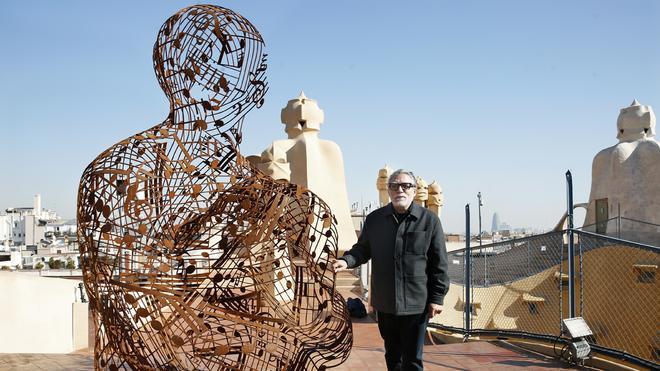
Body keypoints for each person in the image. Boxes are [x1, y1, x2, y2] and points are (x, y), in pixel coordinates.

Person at [333, 169, 449, 371]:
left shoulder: (429, 221)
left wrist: (437, 297)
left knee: (413, 359)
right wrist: (346, 261)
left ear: (414, 191)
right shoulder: (375, 220)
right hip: (385, 304)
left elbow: (439, 263)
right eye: (394, 186)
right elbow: (362, 250)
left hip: (416, 304)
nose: (400, 190)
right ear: (388, 190)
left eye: (406, 186)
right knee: (393, 356)